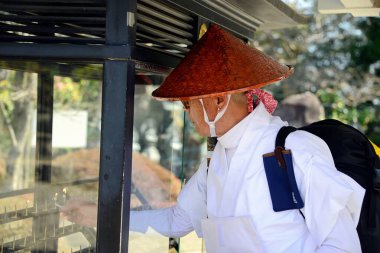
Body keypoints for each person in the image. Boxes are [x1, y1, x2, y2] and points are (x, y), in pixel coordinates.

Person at [61, 24, 365, 252]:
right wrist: (100, 215)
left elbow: (342, 246)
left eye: (188, 103)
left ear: (218, 101)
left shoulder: (295, 151)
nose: (187, 112)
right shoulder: (217, 161)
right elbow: (176, 222)